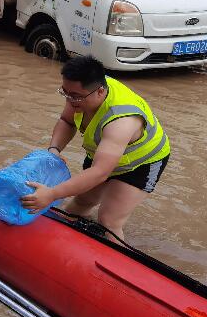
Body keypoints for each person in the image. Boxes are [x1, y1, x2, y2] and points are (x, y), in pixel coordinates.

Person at [21, 56, 170, 241]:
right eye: (65, 92)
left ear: (100, 92)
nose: (69, 100)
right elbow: (67, 121)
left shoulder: (121, 121)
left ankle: (117, 262)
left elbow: (100, 173)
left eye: (75, 96)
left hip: (141, 163)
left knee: (108, 221)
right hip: (103, 151)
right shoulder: (81, 92)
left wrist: (51, 194)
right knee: (81, 202)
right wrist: (54, 149)